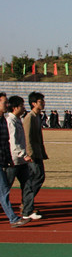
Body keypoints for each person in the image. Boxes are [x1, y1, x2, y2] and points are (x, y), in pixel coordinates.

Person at [0, 93, 29, 227]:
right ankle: (13, 218)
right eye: (5, 103)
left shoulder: (3, 121)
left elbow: (5, 143)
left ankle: (15, 216)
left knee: (4, 189)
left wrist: (8, 159)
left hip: (3, 160)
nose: (8, 105)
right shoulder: (7, 121)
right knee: (4, 190)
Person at [22, 92, 48, 220]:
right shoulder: (30, 117)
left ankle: (27, 204)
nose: (43, 103)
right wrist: (29, 153)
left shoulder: (38, 116)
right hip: (32, 154)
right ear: (33, 103)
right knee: (36, 178)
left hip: (37, 152)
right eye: (40, 101)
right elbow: (27, 137)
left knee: (38, 178)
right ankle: (27, 207)